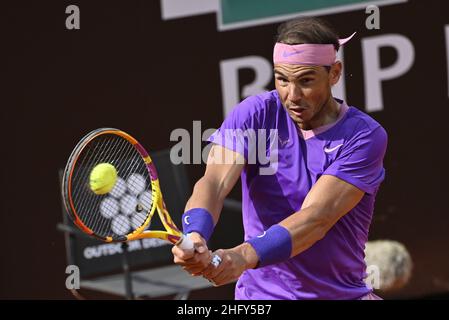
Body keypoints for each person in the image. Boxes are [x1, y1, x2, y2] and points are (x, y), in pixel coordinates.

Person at [172, 17, 387, 300]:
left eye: (306, 81)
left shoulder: (364, 136)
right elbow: (213, 182)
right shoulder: (255, 113)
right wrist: (196, 234)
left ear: (334, 73)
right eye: (282, 79)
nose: (292, 95)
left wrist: (243, 255)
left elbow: (315, 218)